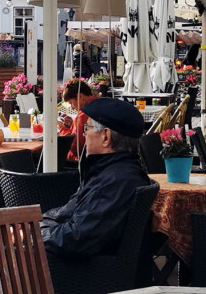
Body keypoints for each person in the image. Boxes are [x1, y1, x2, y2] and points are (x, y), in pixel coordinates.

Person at [41, 97, 151, 257]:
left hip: (79, 273)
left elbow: (76, 238)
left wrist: (34, 234)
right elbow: (67, 214)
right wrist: (36, 226)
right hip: (74, 263)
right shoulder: (110, 171)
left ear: (106, 137)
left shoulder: (116, 181)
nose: (84, 134)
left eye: (87, 128)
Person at [58, 79, 96, 163]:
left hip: (79, 163)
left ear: (80, 97)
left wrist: (62, 128)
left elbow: (73, 146)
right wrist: (72, 125)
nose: (71, 107)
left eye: (71, 102)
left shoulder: (83, 116)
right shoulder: (97, 104)